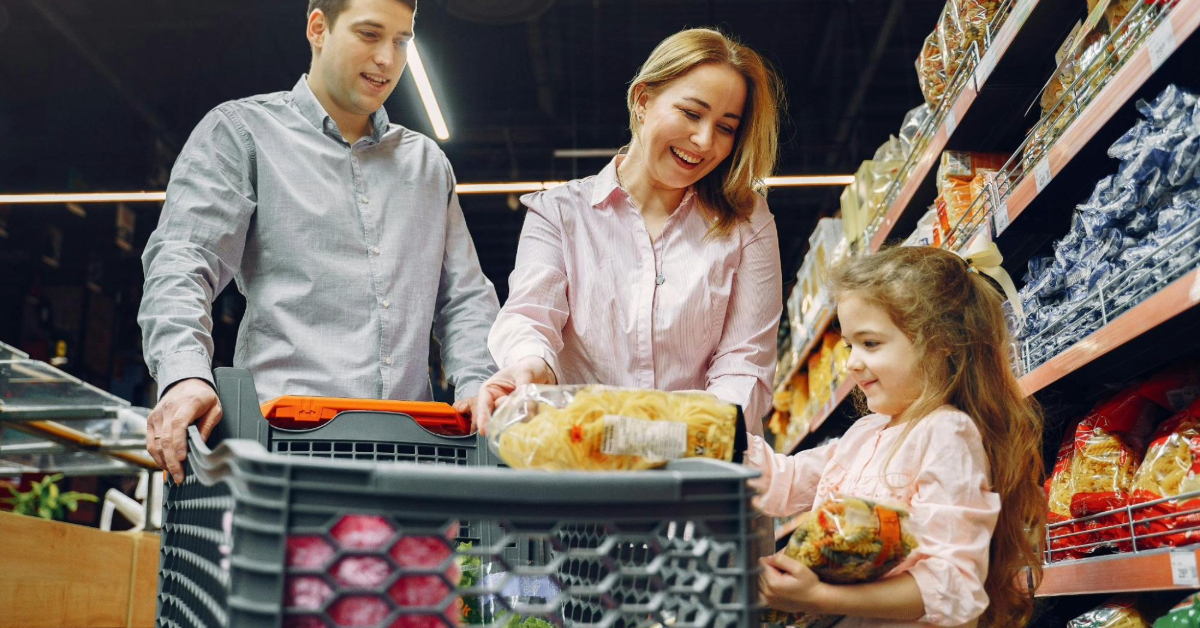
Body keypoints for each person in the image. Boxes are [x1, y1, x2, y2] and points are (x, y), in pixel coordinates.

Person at [138, 0, 499, 483]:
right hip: (282, 454)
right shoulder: (243, 134)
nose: (387, 60)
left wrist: (477, 383)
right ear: (318, 28)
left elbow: (465, 297)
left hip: (411, 458)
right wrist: (184, 374)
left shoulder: (427, 164)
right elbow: (182, 261)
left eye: (401, 41)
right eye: (370, 35)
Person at [474, 28, 784, 435]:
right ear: (643, 100)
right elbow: (531, 315)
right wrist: (531, 365)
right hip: (584, 459)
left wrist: (673, 436)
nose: (705, 141)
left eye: (726, 127)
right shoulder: (560, 213)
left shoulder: (746, 221)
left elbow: (745, 362)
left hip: (700, 467)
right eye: (691, 113)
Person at [751, 245, 1046, 627]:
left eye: (870, 343)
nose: (853, 362)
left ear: (941, 343)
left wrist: (818, 596)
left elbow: (952, 584)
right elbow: (785, 482)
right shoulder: (866, 434)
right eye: (849, 346)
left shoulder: (946, 433)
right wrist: (707, 433)